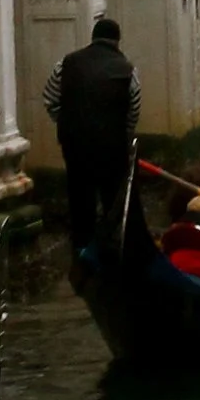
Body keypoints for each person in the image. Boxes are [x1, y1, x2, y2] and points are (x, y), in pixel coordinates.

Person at [45, 14, 141, 252]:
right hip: (112, 145)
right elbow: (134, 109)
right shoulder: (128, 70)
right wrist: (126, 137)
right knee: (112, 197)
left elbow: (50, 99)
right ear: (117, 41)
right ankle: (110, 247)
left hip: (75, 143)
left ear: (93, 38)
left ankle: (82, 247)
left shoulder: (66, 63)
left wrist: (67, 122)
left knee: (80, 196)